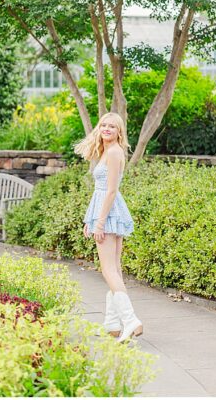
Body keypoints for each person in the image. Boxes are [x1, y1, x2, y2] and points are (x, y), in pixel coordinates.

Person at [75, 112, 142, 342]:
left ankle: (130, 319)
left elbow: (111, 190)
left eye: (111, 126)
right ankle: (113, 323)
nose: (106, 129)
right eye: (103, 124)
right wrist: (89, 219)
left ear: (119, 131)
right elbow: (99, 191)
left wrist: (99, 222)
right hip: (104, 211)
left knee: (108, 270)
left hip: (109, 214)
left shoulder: (114, 153)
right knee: (115, 269)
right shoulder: (107, 152)